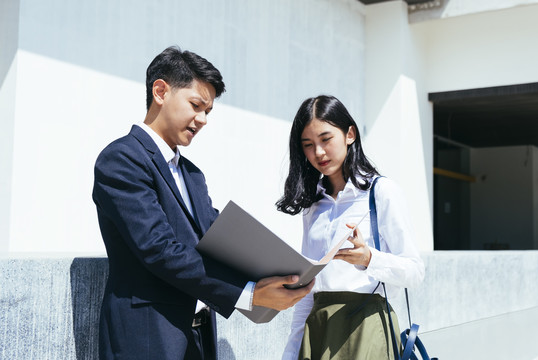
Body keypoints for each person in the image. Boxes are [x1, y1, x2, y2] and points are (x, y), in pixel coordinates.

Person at [92, 46, 313, 360]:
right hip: (147, 337)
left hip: (197, 336)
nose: (203, 119)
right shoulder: (121, 159)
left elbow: (217, 239)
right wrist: (249, 294)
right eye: (196, 105)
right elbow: (158, 248)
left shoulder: (192, 174)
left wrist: (282, 273)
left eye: (208, 111)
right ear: (160, 91)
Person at [276, 95, 425, 360]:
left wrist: (370, 259)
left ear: (350, 134)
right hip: (319, 328)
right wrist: (290, 354)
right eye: (308, 145)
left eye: (326, 139)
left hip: (366, 327)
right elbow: (308, 290)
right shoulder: (313, 206)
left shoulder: (381, 192)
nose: (318, 153)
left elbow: (415, 272)